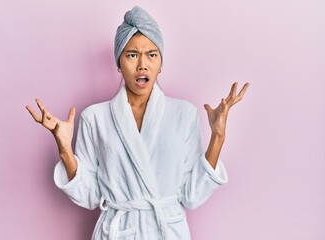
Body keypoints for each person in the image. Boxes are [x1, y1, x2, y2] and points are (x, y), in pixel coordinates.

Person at [26, 6, 249, 240]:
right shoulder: (94, 118)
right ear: (118, 63)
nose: (142, 64)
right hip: (118, 230)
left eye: (152, 54)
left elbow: (192, 195)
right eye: (132, 55)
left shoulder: (184, 114)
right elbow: (89, 195)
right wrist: (64, 150)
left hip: (167, 231)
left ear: (161, 63)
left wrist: (218, 138)